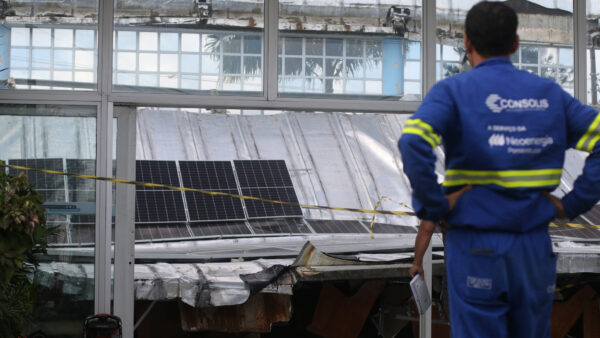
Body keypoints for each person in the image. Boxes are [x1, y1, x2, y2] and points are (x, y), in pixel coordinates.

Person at [398, 1, 600, 337]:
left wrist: (435, 206)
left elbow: (412, 142)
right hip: (533, 248)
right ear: (515, 44)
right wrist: (572, 204)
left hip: (476, 247)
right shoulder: (549, 94)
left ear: (466, 42)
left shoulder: (453, 92)